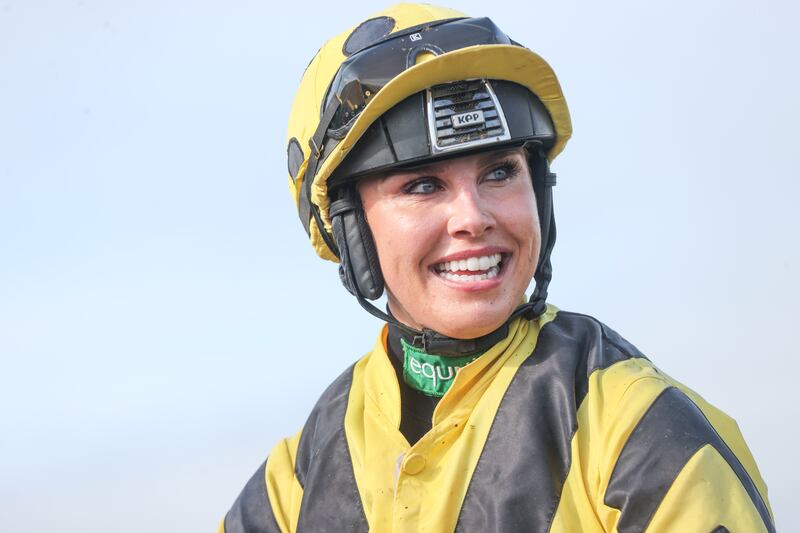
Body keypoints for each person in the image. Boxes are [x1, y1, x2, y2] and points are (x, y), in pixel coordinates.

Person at [221, 4, 774, 532]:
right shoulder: (296, 478)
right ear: (348, 229)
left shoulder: (641, 431)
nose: (473, 216)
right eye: (422, 184)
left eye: (499, 171)